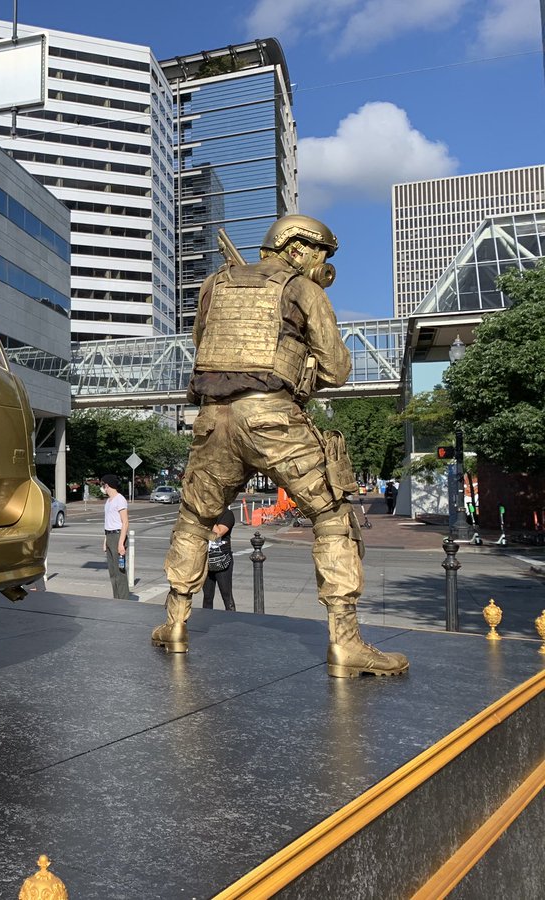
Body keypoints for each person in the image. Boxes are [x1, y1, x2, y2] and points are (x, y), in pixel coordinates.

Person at [151, 214, 409, 678]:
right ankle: (346, 644)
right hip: (273, 417)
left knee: (193, 520)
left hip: (212, 419)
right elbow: (336, 370)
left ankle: (174, 625)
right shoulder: (303, 289)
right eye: (321, 254)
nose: (323, 264)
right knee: (332, 518)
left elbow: (201, 344)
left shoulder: (213, 284)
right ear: (297, 248)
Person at [101, 474, 130, 600]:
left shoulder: (120, 499)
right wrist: (105, 540)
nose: (102, 487)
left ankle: (124, 600)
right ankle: (116, 599)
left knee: (120, 572)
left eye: (103, 485)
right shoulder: (108, 502)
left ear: (107, 485)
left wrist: (121, 543)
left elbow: (125, 522)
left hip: (118, 536)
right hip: (109, 535)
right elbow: (108, 523)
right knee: (112, 572)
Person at [202, 508, 236, 611]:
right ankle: (207, 618)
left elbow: (218, 533)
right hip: (206, 560)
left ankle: (232, 618)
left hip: (222, 561)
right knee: (207, 597)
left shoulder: (227, 514)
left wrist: (207, 518)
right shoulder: (203, 515)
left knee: (226, 595)